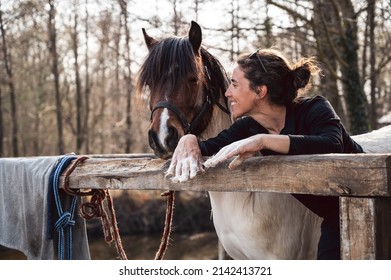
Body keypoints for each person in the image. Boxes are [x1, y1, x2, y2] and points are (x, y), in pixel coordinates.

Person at [166, 47, 364, 260]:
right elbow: (212, 146)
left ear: (260, 91)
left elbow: (331, 144)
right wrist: (189, 138)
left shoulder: (315, 108)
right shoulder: (248, 127)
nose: (227, 93)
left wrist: (262, 141)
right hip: (335, 217)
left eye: (234, 84)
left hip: (366, 206)